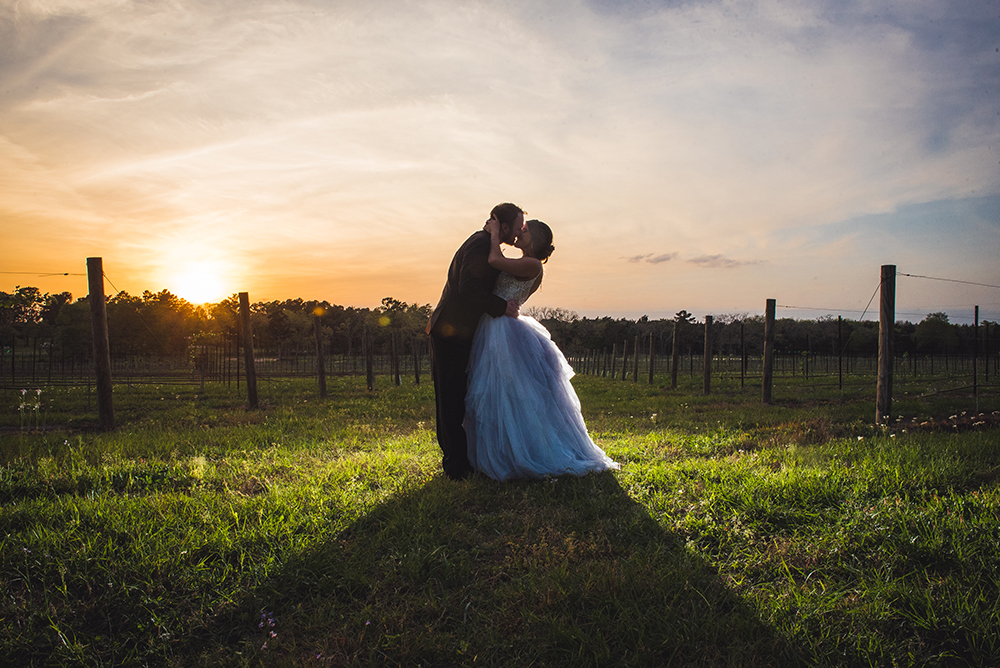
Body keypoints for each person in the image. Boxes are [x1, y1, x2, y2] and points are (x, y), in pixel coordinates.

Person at [463, 215, 620, 481]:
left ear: (534, 239)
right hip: (497, 324)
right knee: (501, 392)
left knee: (509, 392)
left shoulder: (533, 265)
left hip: (503, 329)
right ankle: (502, 449)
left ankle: (521, 452)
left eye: (524, 230)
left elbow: (494, 262)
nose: (519, 232)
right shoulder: (525, 261)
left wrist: (492, 234)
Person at [426, 203, 524, 480]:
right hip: (450, 332)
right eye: (516, 228)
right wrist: (500, 306)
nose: (518, 233)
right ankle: (456, 467)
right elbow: (468, 289)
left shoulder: (486, 243)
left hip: (460, 332)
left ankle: (462, 460)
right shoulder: (480, 245)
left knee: (459, 397)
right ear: (503, 226)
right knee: (451, 399)